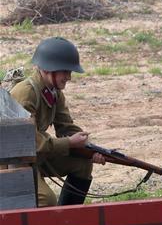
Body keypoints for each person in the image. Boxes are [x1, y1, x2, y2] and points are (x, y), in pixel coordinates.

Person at [10, 37, 105, 206]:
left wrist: (90, 149)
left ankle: (67, 221)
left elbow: (66, 127)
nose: (69, 77)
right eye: (65, 71)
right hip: (12, 161)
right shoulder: (26, 94)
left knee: (82, 164)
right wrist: (69, 142)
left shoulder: (53, 92)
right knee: (46, 200)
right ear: (48, 69)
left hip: (34, 156)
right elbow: (30, 142)